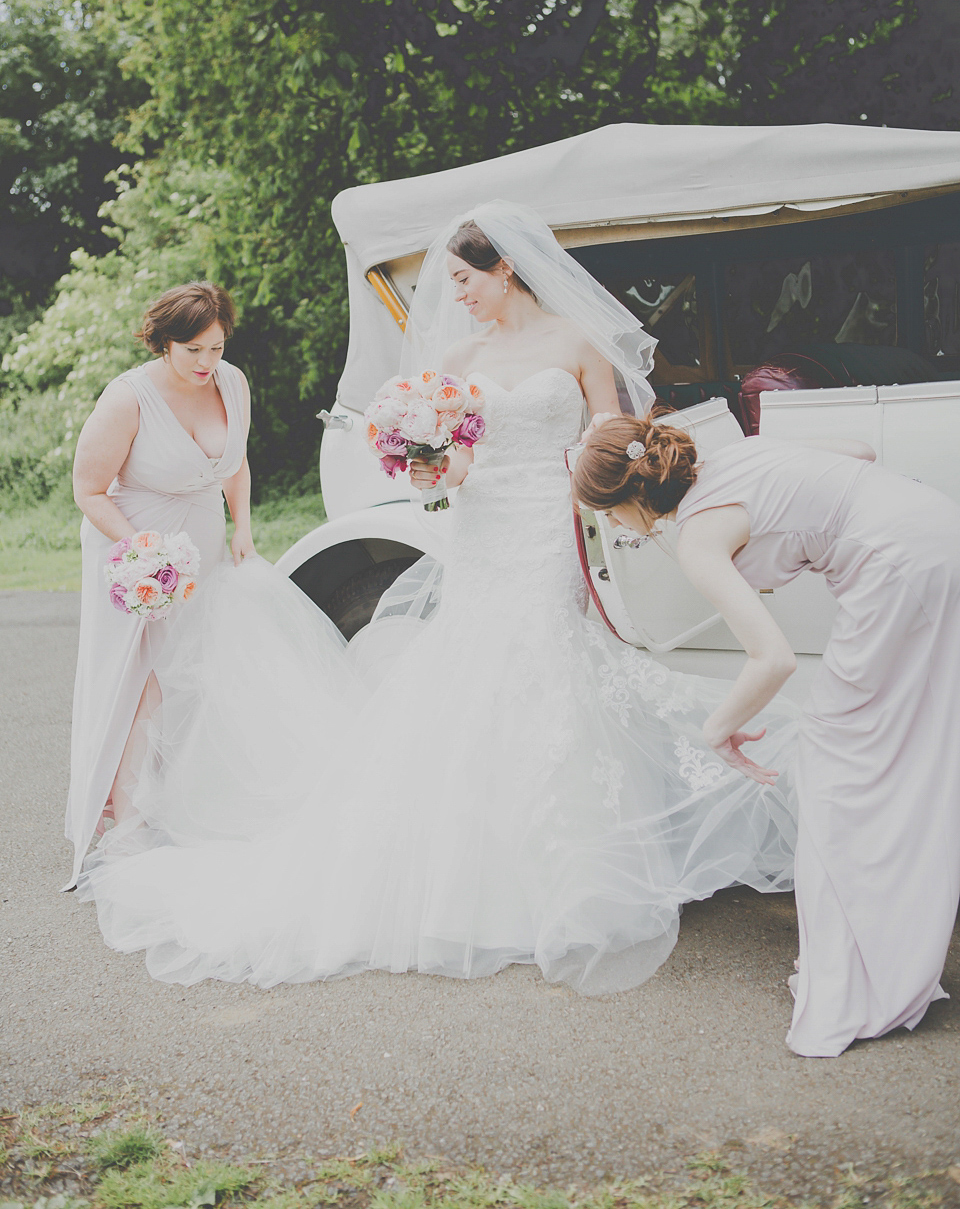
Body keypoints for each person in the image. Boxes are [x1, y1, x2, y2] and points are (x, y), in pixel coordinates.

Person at [75, 202, 801, 994]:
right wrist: (427, 468)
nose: (454, 294)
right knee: (481, 664)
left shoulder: (576, 344)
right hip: (489, 530)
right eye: (449, 281)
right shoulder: (459, 356)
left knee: (555, 659)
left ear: (506, 269)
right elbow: (452, 467)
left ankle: (579, 851)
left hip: (555, 528)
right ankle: (476, 868)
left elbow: (615, 441)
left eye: (463, 278)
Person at [572, 413, 960, 1056]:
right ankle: (885, 946)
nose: (613, 528)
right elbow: (858, 450)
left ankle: (861, 974)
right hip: (936, 525)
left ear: (636, 498)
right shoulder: (736, 454)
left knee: (837, 765)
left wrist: (716, 730)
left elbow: (772, 659)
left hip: (898, 572)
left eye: (608, 515)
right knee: (897, 750)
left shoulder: (698, 537)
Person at [65, 281, 253, 889]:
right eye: (193, 350)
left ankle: (180, 804)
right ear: (164, 343)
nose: (206, 363)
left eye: (216, 348)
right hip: (135, 550)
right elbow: (89, 491)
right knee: (141, 682)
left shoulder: (233, 383)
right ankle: (127, 821)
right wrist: (139, 549)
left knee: (192, 674)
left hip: (202, 541)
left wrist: (243, 530)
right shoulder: (129, 399)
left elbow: (237, 463)